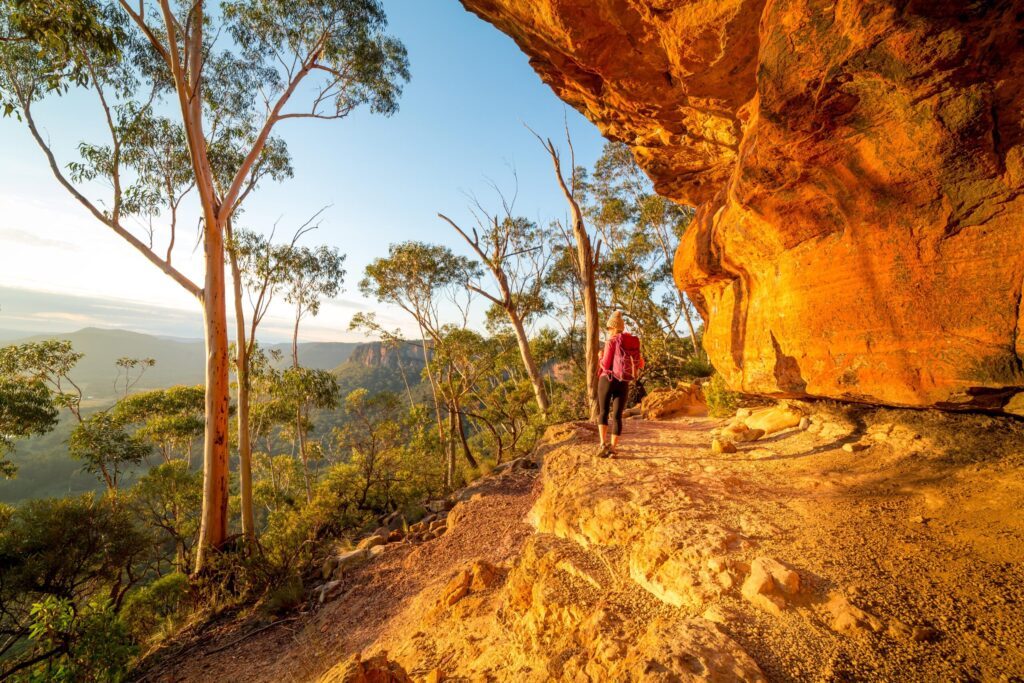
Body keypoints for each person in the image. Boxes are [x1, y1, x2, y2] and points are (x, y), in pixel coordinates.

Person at [596, 311, 644, 458]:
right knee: (617, 416)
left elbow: (605, 364)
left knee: (603, 412)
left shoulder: (611, 341)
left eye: (608, 328)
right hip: (623, 382)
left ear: (611, 328)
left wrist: (600, 356)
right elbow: (641, 363)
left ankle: (603, 444)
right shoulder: (631, 342)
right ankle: (613, 448)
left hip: (607, 379)